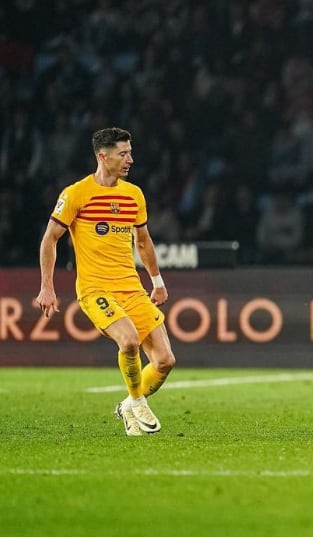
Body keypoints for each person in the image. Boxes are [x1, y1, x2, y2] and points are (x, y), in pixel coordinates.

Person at [35, 127, 176, 437]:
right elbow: (50, 240)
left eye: (130, 152)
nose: (130, 159)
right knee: (128, 341)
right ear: (103, 156)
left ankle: (128, 404)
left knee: (165, 360)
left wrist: (157, 281)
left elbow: (143, 241)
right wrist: (47, 285)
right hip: (95, 289)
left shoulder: (133, 194)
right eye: (123, 154)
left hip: (131, 288)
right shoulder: (76, 194)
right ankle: (137, 400)